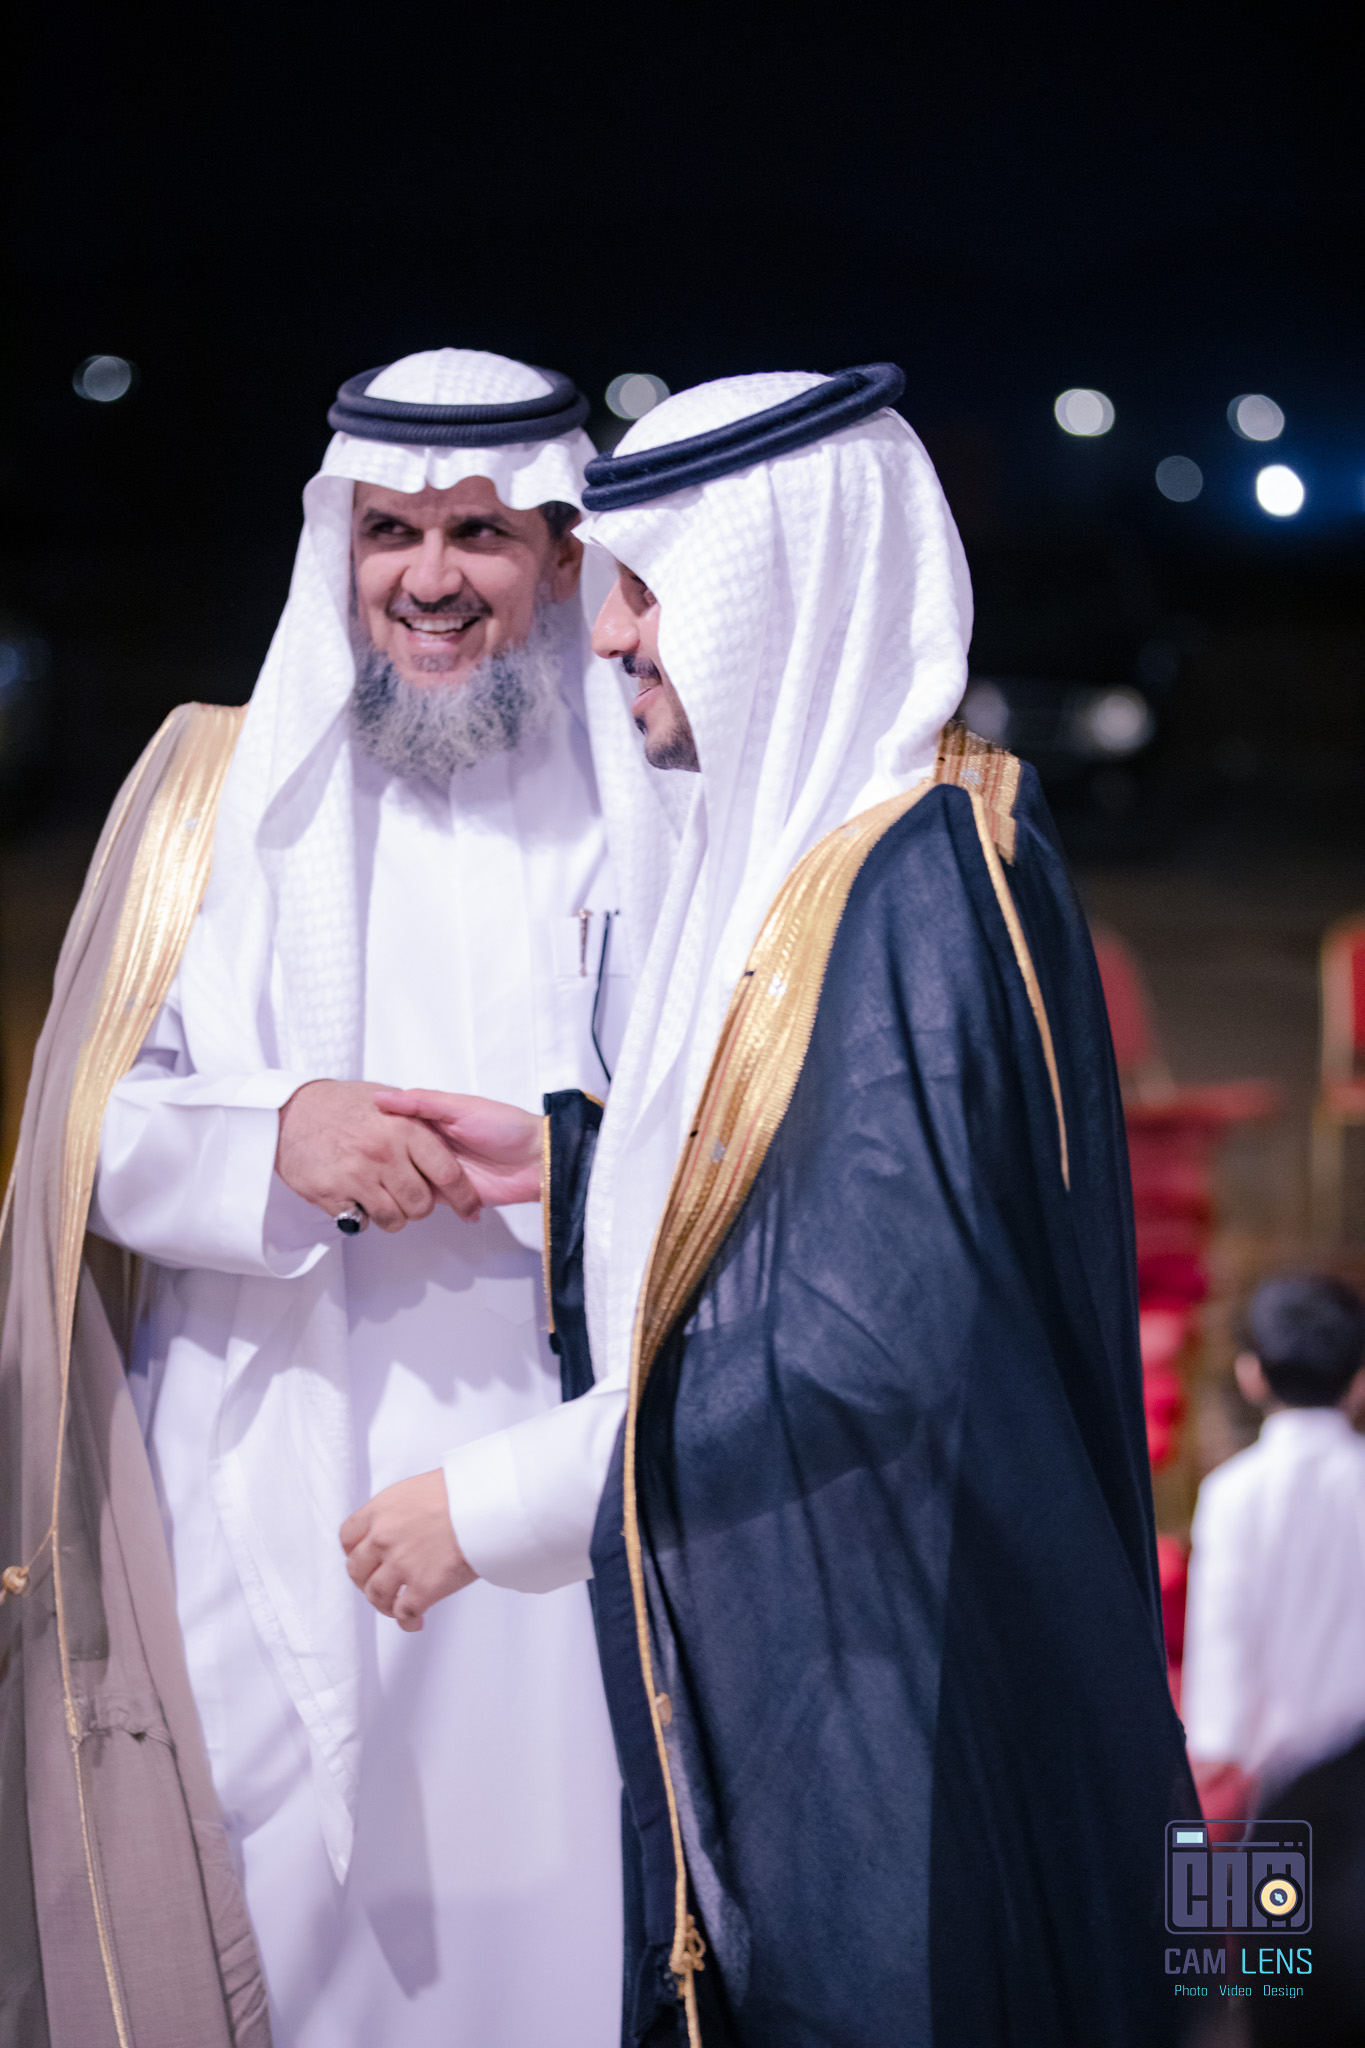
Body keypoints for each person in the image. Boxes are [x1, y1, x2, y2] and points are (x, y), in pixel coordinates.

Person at [346, 366, 1198, 2046]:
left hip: (906, 1678)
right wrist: (578, 1170)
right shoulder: (848, 858)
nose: (610, 635)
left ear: (781, 587)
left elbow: (865, 1333)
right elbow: (814, 1188)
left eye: (650, 590)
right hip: (839, 1635)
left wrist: (501, 1499)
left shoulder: (918, 881)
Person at [0, 349, 675, 2048]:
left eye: (480, 533)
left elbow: (729, 1141)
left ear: (564, 556)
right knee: (277, 1932)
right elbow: (86, 1140)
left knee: (557, 1929)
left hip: (553, 1483)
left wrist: (567, 1166)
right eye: (389, 531)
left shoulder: (659, 804)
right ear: (337, 545)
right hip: (264, 1472)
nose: (429, 577)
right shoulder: (210, 797)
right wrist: (270, 1139)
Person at [1183, 1273, 1365, 1819]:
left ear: (1252, 1375)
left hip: (1276, 1787)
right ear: (1359, 1380)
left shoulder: (1231, 1493)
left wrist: (1217, 1742)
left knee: (1274, 1881)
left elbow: (1224, 1641)